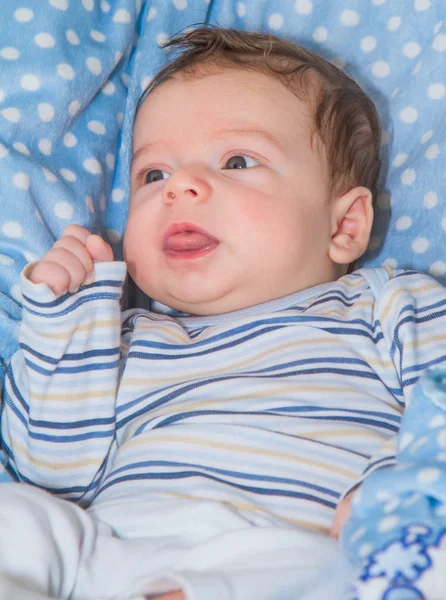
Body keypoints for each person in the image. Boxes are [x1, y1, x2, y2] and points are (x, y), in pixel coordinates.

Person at [1, 25, 446, 600]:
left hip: (279, 543)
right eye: (152, 174)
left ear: (343, 225)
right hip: (109, 547)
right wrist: (65, 326)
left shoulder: (386, 303)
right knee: (19, 518)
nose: (180, 186)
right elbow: (50, 474)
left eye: (237, 160)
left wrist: (398, 489)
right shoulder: (122, 337)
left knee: (313, 567)